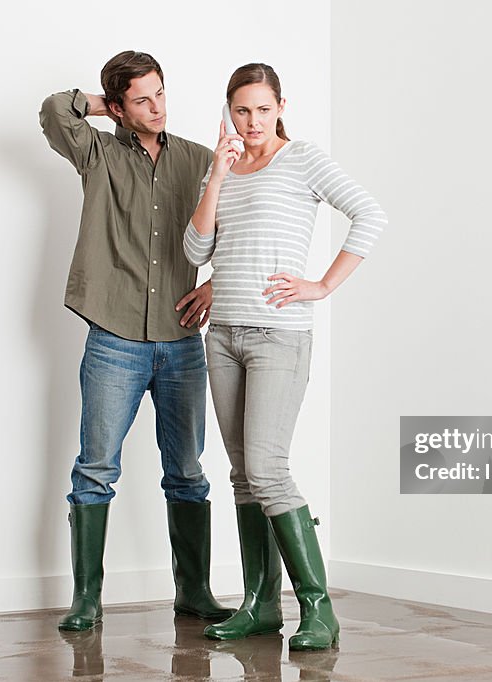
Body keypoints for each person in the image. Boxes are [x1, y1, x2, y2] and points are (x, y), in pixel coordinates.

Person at [183, 63, 388, 650]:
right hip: (222, 336)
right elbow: (197, 250)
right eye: (241, 110)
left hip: (279, 335)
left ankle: (318, 610)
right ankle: (259, 604)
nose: (252, 122)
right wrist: (218, 176)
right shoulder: (221, 168)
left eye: (263, 109)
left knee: (268, 468)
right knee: (244, 475)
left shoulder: (303, 160)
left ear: (280, 107)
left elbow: (369, 214)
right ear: (229, 111)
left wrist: (321, 285)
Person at [39, 50, 233, 632]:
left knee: (188, 470)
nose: (157, 107)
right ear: (121, 107)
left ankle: (194, 593)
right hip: (113, 335)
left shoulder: (199, 160)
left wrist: (218, 284)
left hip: (180, 340)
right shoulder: (96, 151)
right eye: (142, 99)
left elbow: (244, 226)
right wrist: (108, 108)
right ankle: (87, 600)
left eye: (160, 93)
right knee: (95, 468)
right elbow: (54, 112)